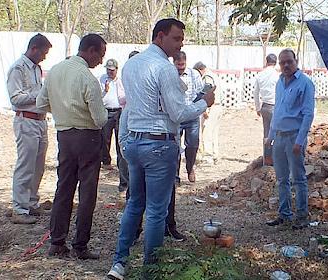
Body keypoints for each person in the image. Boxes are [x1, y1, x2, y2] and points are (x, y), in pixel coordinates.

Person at [107, 18, 214, 280]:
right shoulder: (164, 68)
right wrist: (205, 103)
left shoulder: (131, 65)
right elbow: (178, 112)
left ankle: (119, 263)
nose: (180, 44)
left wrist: (124, 142)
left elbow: (131, 107)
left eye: (182, 39)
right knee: (156, 210)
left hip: (135, 141)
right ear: (160, 36)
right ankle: (150, 270)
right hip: (158, 144)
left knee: (134, 203)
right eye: (176, 38)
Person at [36, 34, 108, 259]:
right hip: (87, 138)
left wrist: (62, 112)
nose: (101, 61)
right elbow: (100, 120)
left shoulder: (55, 71)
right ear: (91, 50)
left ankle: (57, 242)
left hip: (64, 135)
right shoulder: (87, 77)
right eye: (101, 55)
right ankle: (80, 246)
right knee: (87, 192)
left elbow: (40, 103)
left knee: (64, 187)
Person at [265, 49, 315, 230]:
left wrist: (300, 141)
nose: (286, 65)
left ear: (296, 61)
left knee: (299, 179)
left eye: (289, 62)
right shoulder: (280, 82)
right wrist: (270, 136)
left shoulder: (305, 83)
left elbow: (308, 114)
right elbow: (277, 110)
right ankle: (284, 214)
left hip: (294, 136)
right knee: (282, 178)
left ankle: (302, 216)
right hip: (278, 136)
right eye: (282, 62)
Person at [6, 33, 52, 224]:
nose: (44, 57)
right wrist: (39, 94)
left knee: (38, 165)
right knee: (26, 164)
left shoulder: (37, 69)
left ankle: (31, 202)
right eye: (43, 52)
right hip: (26, 120)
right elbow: (15, 98)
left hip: (40, 120)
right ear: (34, 48)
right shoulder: (18, 68)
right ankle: (19, 208)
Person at [173, 51, 204, 183]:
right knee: (174, 147)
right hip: (176, 116)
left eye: (183, 64)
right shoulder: (169, 74)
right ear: (173, 62)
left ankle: (190, 168)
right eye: (178, 65)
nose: (181, 67)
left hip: (191, 115)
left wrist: (199, 108)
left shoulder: (194, 74)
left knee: (192, 144)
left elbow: (200, 93)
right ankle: (175, 175)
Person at [99, 58, 128, 192]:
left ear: (116, 69)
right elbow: (98, 96)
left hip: (119, 112)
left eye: (112, 70)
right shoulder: (102, 79)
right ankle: (106, 160)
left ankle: (124, 181)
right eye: (108, 70)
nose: (110, 72)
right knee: (104, 138)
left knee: (120, 144)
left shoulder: (121, 81)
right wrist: (105, 90)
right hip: (106, 111)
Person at [194, 61, 223, 164]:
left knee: (207, 132)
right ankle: (215, 154)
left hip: (211, 107)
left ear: (200, 70)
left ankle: (208, 157)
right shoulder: (214, 75)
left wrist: (205, 109)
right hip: (218, 106)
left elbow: (207, 93)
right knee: (214, 132)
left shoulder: (207, 77)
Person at [253, 54, 279, 165]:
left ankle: (267, 159)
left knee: (267, 134)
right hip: (275, 106)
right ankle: (277, 159)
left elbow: (256, 93)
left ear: (266, 62)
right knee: (278, 133)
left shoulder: (260, 75)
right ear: (276, 62)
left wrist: (258, 108)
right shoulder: (277, 76)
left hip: (265, 106)